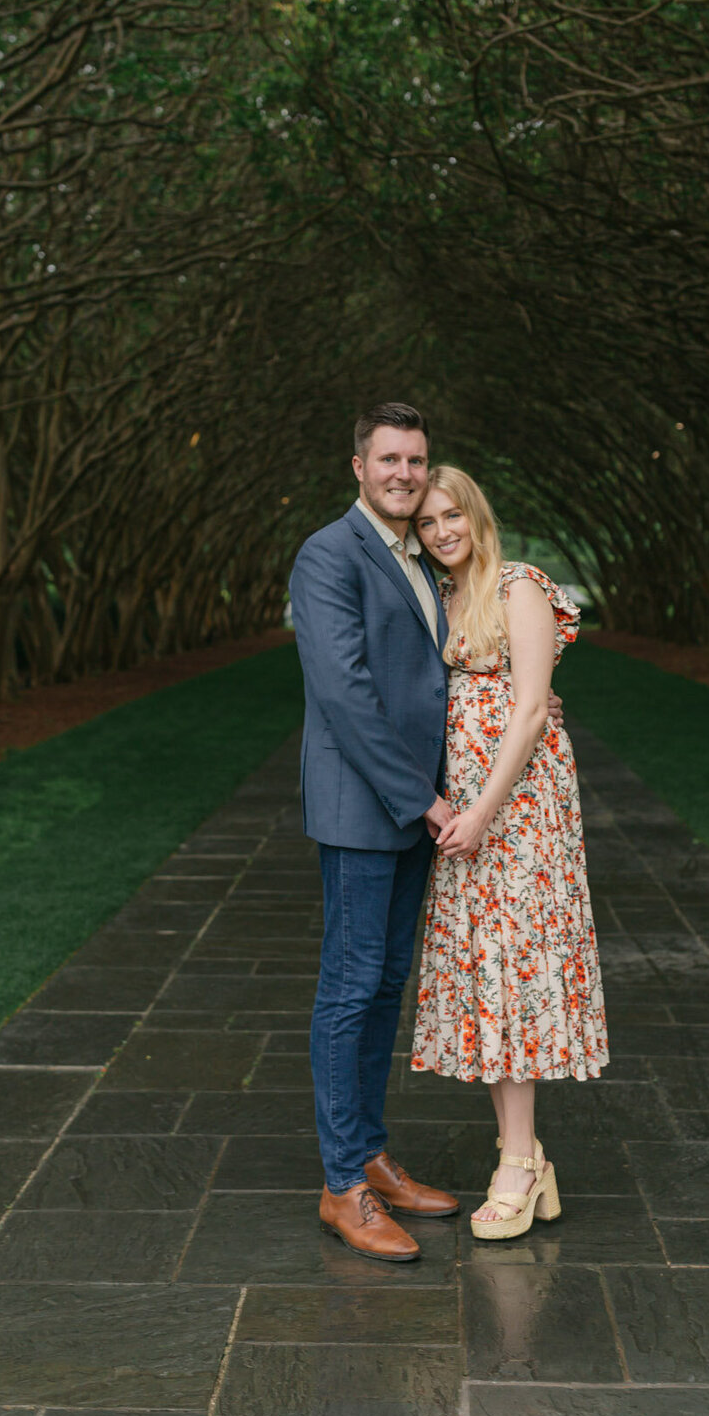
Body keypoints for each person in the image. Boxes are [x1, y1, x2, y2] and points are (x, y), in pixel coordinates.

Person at [289, 404, 563, 1262]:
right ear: (359, 466)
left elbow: (450, 671)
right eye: (390, 460)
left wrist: (526, 697)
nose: (405, 474)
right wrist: (430, 802)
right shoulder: (330, 554)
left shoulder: (423, 559)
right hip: (373, 808)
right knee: (350, 987)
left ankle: (370, 1157)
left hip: (418, 811)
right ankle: (342, 1187)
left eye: (417, 459)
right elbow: (346, 694)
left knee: (383, 986)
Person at [410, 465, 608, 1239]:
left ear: (476, 515)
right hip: (467, 815)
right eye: (427, 523)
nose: (442, 531)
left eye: (451, 515)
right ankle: (524, 1157)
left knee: (514, 971)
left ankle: (518, 1168)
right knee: (488, 974)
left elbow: (530, 711)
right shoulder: (440, 597)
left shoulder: (518, 584)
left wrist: (483, 812)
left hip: (519, 811)